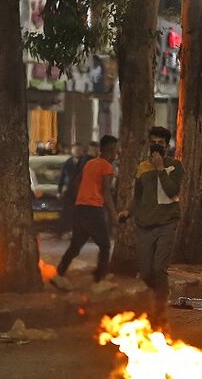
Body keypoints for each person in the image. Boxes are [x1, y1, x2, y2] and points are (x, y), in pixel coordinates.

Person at [118, 126, 181, 323]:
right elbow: (138, 197)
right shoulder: (142, 167)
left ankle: (160, 312)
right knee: (145, 271)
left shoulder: (175, 166)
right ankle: (158, 296)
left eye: (160, 143)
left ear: (167, 145)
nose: (156, 147)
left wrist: (161, 169)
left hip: (167, 224)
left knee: (159, 268)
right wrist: (128, 211)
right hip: (145, 225)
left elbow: (172, 192)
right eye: (154, 143)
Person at [53, 135, 118, 287]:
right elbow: (106, 192)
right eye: (115, 151)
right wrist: (114, 215)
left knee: (76, 245)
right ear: (110, 151)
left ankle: (59, 274)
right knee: (105, 245)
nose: (116, 154)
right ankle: (99, 281)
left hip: (80, 208)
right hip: (93, 210)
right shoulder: (107, 166)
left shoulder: (89, 164)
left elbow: (77, 183)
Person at [58, 143, 87, 232]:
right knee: (67, 212)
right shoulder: (67, 163)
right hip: (70, 191)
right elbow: (62, 178)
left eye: (79, 150)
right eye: (75, 150)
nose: (77, 152)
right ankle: (67, 230)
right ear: (72, 151)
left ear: (82, 151)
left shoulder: (86, 162)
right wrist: (59, 191)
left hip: (83, 191)